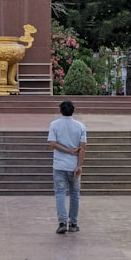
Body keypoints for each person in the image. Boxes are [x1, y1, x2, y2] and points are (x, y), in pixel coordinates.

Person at [48, 99, 86, 234]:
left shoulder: (54, 125)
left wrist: (66, 151)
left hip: (59, 164)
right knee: (75, 194)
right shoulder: (80, 126)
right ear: (73, 111)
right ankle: (73, 222)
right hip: (74, 165)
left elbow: (52, 143)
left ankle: (62, 221)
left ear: (60, 111)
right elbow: (82, 148)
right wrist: (79, 165)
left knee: (60, 193)